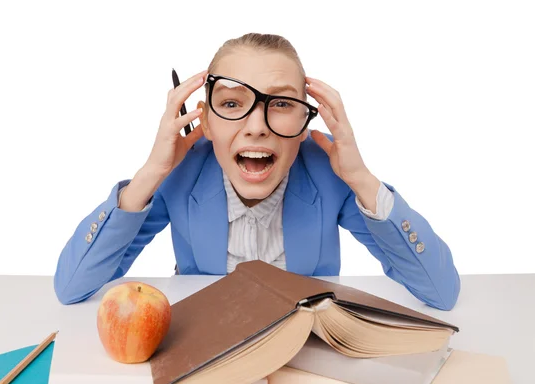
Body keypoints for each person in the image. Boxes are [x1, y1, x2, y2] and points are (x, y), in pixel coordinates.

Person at [54, 33, 460, 310]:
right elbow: (72, 288)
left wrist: (362, 180)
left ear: (305, 122)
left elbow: (441, 291)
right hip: (209, 346)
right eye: (231, 104)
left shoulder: (329, 178)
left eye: (281, 104)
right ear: (205, 123)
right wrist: (150, 174)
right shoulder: (180, 176)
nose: (256, 125)